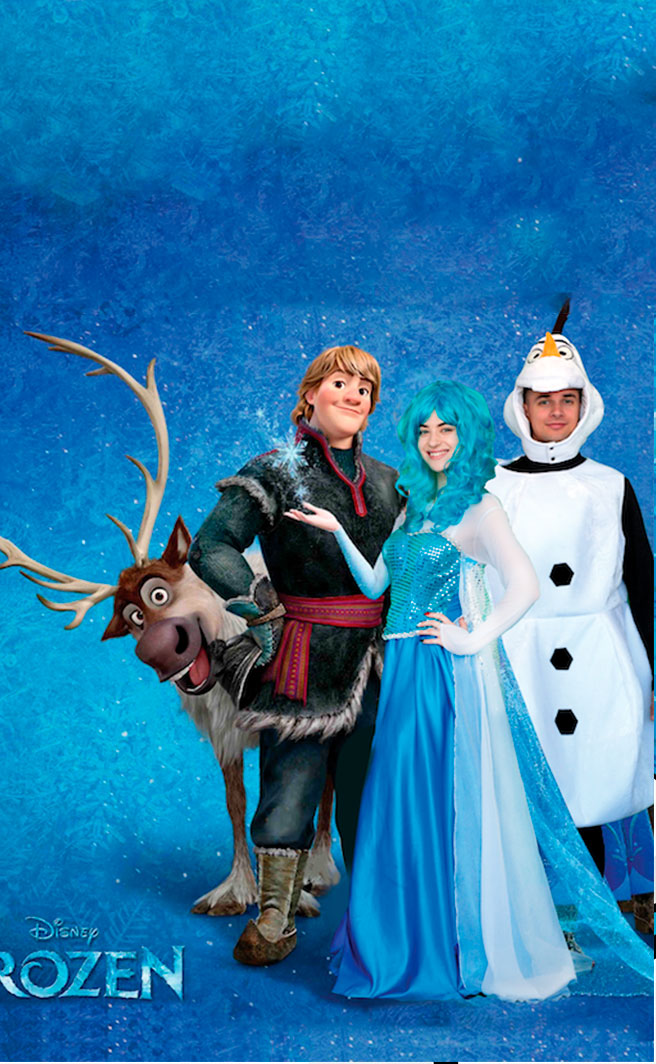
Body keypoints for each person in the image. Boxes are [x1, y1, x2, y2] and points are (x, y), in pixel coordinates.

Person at [287, 380, 652, 1001]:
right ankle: (399, 938)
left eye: (447, 429)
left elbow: (525, 585)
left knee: (434, 800)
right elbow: (376, 586)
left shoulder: (481, 510)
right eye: (425, 430)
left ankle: (446, 944)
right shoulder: (413, 507)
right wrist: (337, 531)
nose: (434, 441)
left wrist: (471, 637)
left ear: (469, 435)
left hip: (439, 672)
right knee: (394, 800)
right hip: (402, 670)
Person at [188, 345, 403, 966]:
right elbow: (211, 547)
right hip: (302, 650)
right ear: (310, 395)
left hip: (381, 658)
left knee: (375, 789)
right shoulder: (274, 472)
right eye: (340, 383)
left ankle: (381, 919)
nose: (353, 395)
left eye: (364, 388)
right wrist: (260, 608)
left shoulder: (392, 481)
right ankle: (275, 915)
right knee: (292, 780)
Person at [487, 308, 654, 934]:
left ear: (585, 404)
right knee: (538, 780)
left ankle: (623, 899)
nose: (556, 412)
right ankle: (543, 915)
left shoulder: (612, 486)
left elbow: (643, 582)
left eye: (567, 399)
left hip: (604, 654)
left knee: (608, 772)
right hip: (521, 654)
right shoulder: (495, 486)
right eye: (543, 400)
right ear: (522, 407)